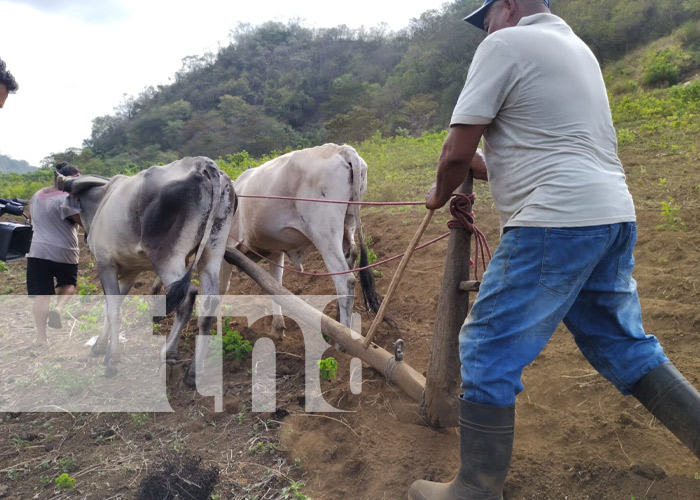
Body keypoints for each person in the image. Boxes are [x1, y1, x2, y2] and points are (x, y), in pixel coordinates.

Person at [409, 1, 700, 499]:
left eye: (486, 18)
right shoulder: (576, 50)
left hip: (553, 222)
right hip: (610, 215)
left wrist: (439, 194)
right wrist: (480, 169)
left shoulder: (504, 44)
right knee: (623, 343)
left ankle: (475, 489)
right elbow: (546, 147)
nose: (484, 29)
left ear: (508, 6)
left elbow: (456, 152)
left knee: (486, 343)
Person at [26, 163, 82, 345]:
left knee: (42, 295)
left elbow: (33, 220)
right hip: (64, 251)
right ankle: (58, 309)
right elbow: (80, 220)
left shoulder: (36, 195)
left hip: (37, 251)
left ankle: (41, 338)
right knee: (68, 284)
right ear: (67, 178)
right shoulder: (67, 198)